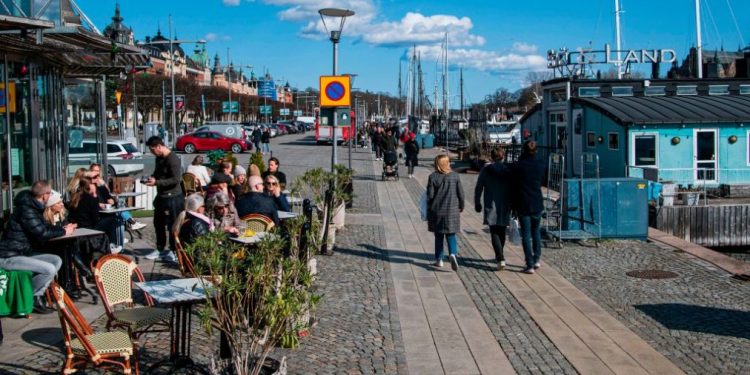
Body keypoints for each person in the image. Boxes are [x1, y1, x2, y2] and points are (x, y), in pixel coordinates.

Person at [0, 181, 73, 314]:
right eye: (50, 193)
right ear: (44, 195)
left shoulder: (34, 207)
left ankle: (35, 294)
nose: (50, 196)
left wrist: (62, 229)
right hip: (9, 256)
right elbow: (42, 233)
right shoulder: (26, 209)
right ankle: (33, 297)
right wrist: (64, 232)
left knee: (56, 260)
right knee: (49, 269)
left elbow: (44, 228)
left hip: (23, 253)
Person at [487, 141, 545, 274]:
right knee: (536, 232)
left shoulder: (518, 166)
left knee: (526, 234)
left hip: (522, 203)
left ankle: (529, 264)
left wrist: (489, 165)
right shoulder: (541, 164)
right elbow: (542, 179)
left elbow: (503, 171)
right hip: (537, 202)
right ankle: (536, 259)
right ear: (536, 150)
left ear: (523, 150)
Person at [144, 136, 184, 263]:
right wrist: (152, 178)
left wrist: (157, 182)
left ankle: (173, 250)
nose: (151, 152)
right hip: (161, 196)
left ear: (159, 147)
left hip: (173, 197)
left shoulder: (173, 160)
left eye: (152, 149)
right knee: (158, 223)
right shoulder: (159, 158)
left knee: (173, 224)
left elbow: (175, 179)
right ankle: (160, 248)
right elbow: (157, 173)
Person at [474, 148, 512, 271]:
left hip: (490, 203)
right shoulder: (508, 171)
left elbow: (479, 187)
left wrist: (477, 202)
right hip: (505, 203)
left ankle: (500, 257)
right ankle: (500, 255)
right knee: (502, 230)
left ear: (492, 157)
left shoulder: (486, 170)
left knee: (494, 230)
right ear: (503, 157)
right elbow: (514, 187)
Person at [427, 154, 464, 271]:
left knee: (438, 236)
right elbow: (461, 194)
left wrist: (428, 206)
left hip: (437, 211)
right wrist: (461, 206)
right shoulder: (455, 176)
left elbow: (430, 196)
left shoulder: (433, 177)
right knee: (451, 234)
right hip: (452, 210)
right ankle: (452, 253)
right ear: (447, 164)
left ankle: (439, 259)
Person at [68, 177, 121, 254]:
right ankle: (111, 244)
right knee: (112, 220)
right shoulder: (91, 199)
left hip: (78, 226)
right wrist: (95, 195)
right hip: (89, 227)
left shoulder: (75, 198)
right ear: (89, 186)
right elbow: (95, 219)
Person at [89, 164, 147, 232]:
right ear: (90, 171)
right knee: (118, 211)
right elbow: (91, 200)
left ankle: (130, 224)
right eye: (94, 171)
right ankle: (132, 223)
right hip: (99, 209)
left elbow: (107, 194)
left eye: (98, 171)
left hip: (107, 206)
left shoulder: (101, 182)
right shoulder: (89, 184)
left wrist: (103, 185)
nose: (96, 173)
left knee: (119, 207)